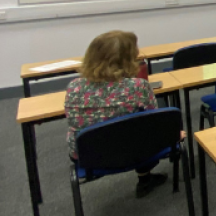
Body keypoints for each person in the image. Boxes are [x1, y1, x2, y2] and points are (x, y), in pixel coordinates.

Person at [64, 30, 166, 198]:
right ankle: (145, 178)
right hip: (135, 152)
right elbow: (153, 125)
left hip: (88, 157)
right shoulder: (138, 87)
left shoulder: (73, 88)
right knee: (144, 125)